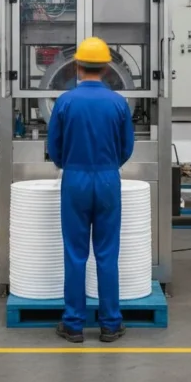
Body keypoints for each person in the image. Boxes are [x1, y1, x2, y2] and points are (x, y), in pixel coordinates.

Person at [46, 37, 135, 343]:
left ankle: (73, 324)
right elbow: (127, 148)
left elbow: (54, 148)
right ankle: (110, 324)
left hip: (75, 180)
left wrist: (71, 165)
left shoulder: (65, 102)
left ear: (77, 67)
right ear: (107, 68)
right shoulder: (118, 103)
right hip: (108, 180)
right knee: (107, 254)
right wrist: (108, 165)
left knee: (75, 254)